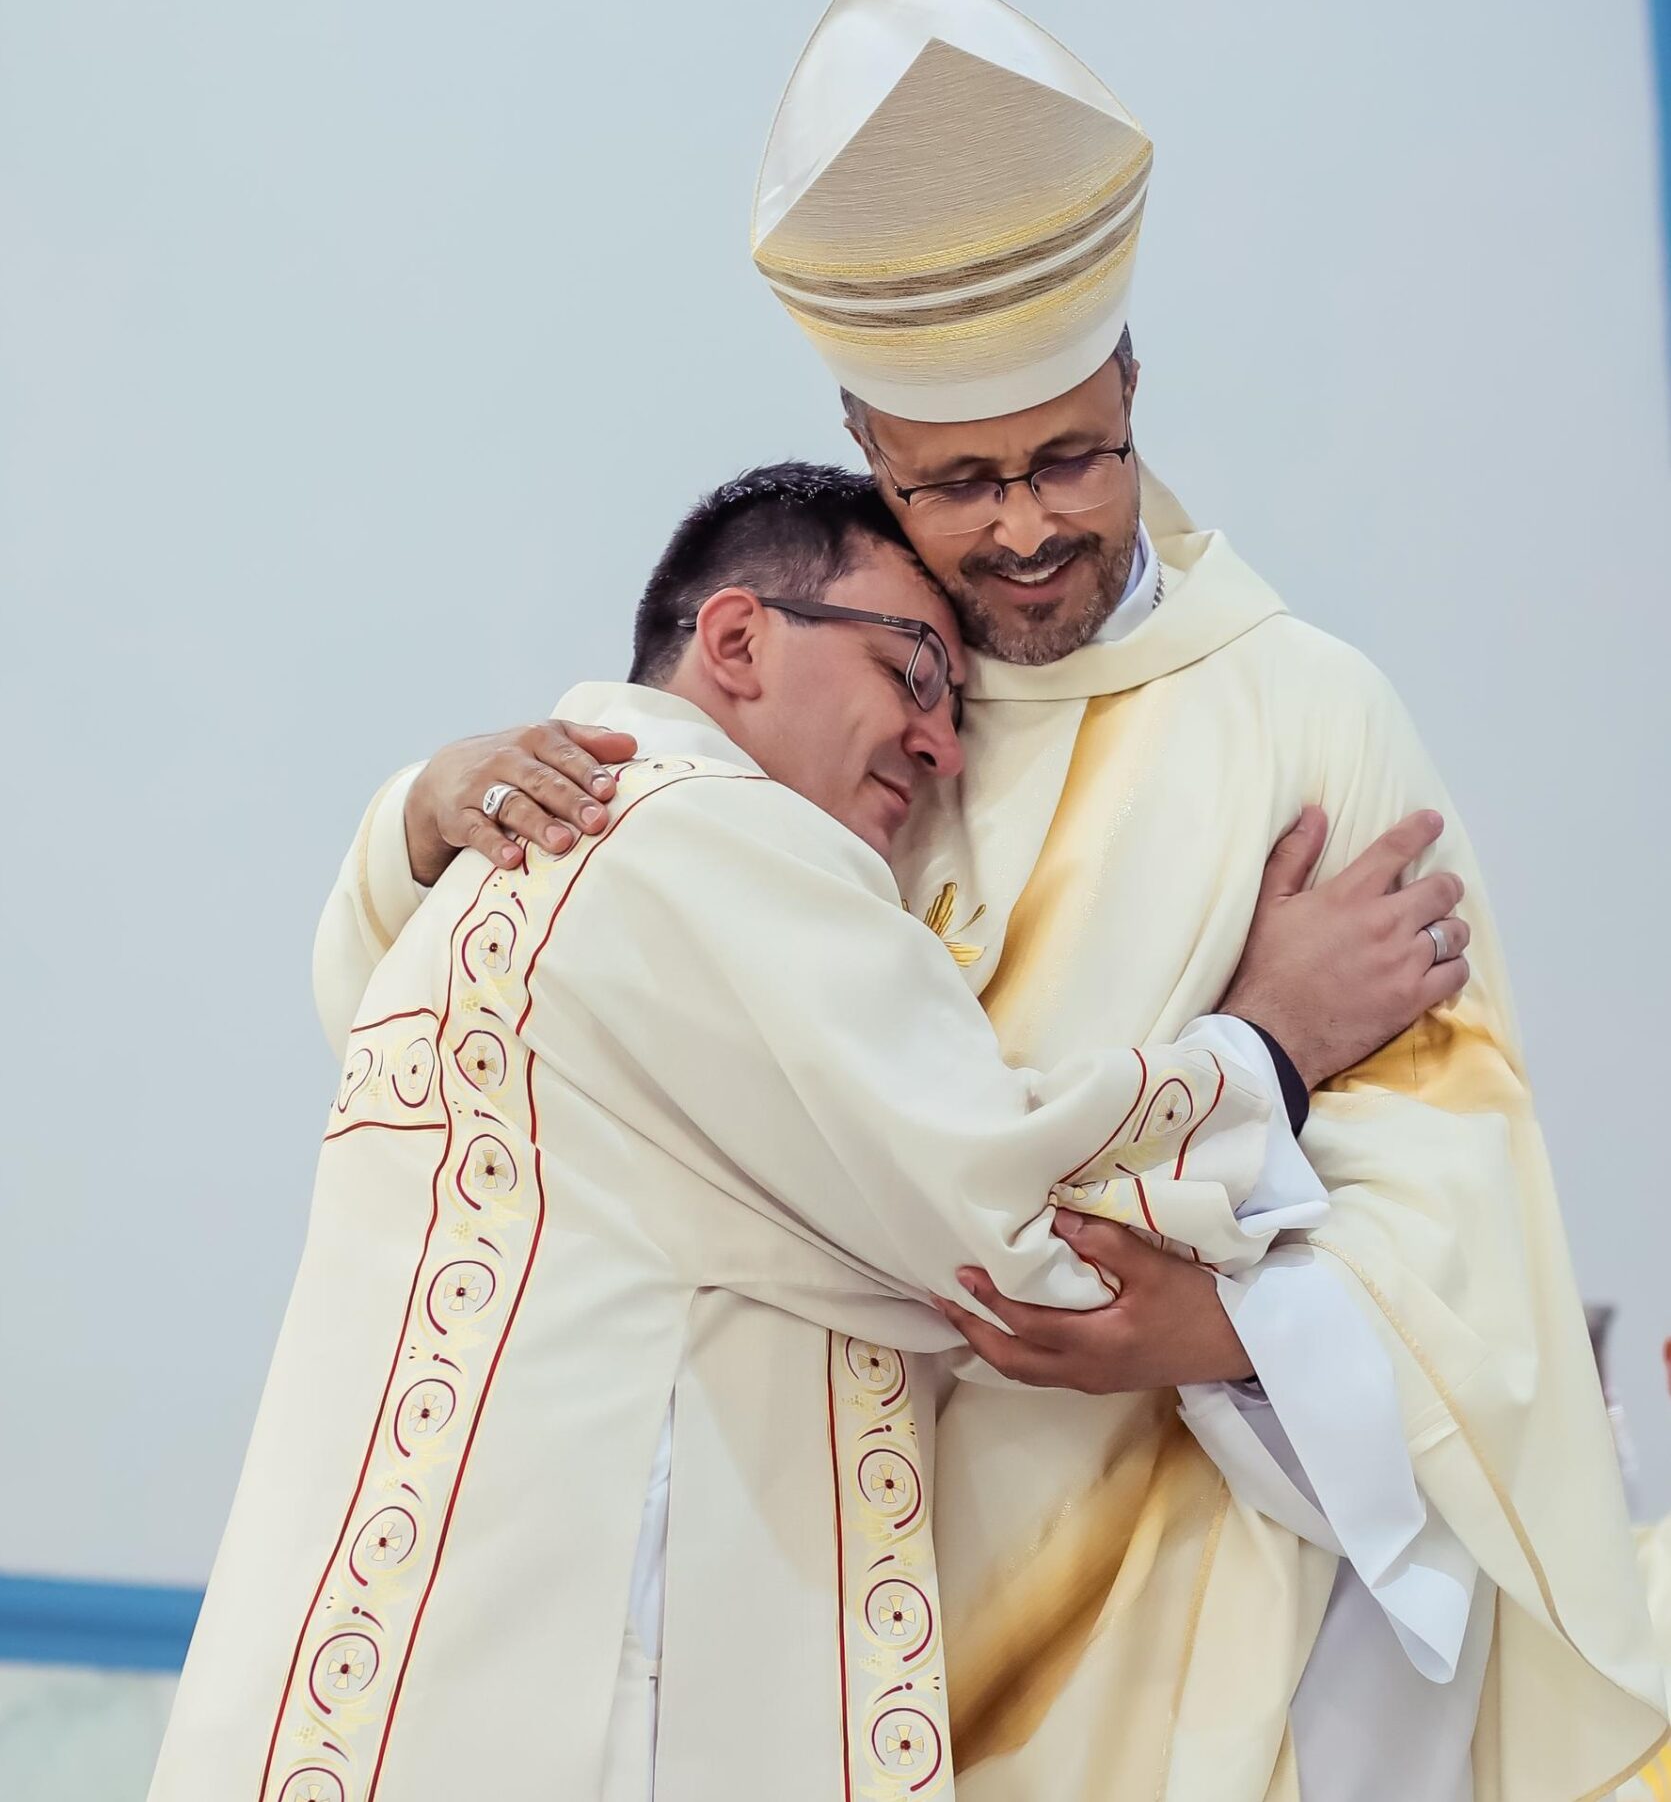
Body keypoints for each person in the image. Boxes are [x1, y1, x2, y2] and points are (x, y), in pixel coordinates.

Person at [317, 0, 1667, 1798]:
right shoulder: (840, 709)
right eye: (962, 483)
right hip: (814, 1582)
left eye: (1073, 458)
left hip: (1187, 1575)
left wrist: (1229, 1333)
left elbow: (1461, 1196)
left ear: (1131, 386)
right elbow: (538, 1009)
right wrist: (429, 806)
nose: (1029, 525)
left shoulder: (1306, 717)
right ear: (870, 457)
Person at [150, 472, 1455, 1802]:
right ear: (736, 641)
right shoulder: (701, 831)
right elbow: (1009, 1218)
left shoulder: (497, 864)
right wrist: (1269, 1041)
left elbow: (346, 964)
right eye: (913, 672)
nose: (940, 745)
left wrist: (409, 813)